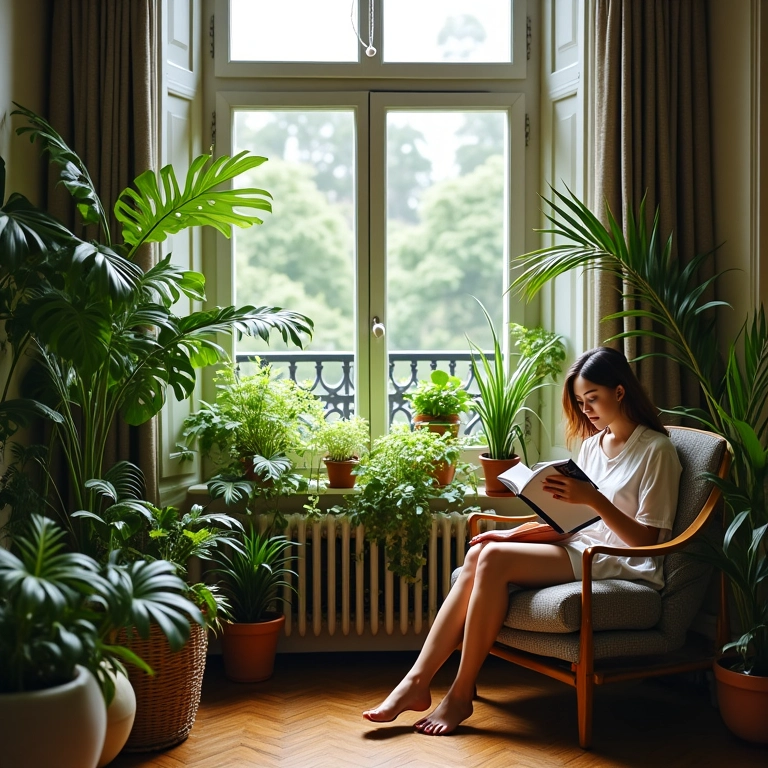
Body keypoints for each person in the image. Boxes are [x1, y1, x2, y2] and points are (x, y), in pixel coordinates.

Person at [362, 346, 682, 736]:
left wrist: (593, 499)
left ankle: (459, 695)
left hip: (620, 559)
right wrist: (511, 532)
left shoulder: (657, 450)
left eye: (593, 399)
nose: (587, 411)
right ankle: (416, 681)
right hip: (579, 546)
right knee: (483, 551)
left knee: (493, 559)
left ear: (620, 391)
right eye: (581, 403)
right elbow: (570, 521)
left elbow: (647, 538)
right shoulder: (592, 446)